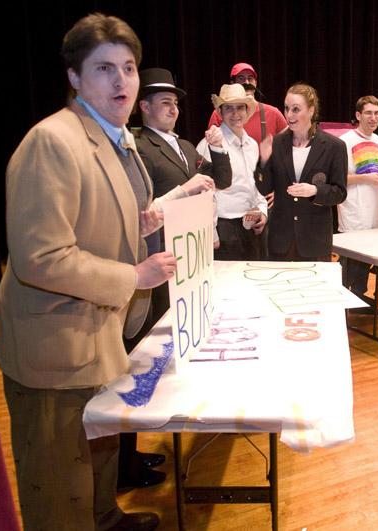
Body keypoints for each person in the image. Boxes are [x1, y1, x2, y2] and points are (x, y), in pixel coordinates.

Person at [0, 13, 176, 531]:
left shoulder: (120, 138)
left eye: (128, 67)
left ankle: (106, 520)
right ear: (74, 77)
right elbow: (41, 257)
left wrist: (139, 223)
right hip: (54, 343)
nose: (120, 81)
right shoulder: (51, 141)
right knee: (57, 476)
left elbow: (93, 219)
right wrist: (134, 277)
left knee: (96, 452)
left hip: (97, 332)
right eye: (103, 69)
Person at [120, 67, 228, 493]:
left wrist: (216, 150)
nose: (174, 108)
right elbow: (142, 209)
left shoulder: (184, 145)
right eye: (165, 102)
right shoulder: (137, 146)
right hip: (153, 265)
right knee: (142, 362)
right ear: (143, 107)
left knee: (171, 353)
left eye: (177, 102)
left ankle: (142, 445)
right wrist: (186, 189)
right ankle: (125, 462)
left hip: (188, 263)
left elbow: (222, 180)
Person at [256, 83, 347, 260]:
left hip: (315, 242)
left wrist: (315, 191)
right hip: (281, 242)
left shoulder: (334, 147)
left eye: (296, 109)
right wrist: (264, 161)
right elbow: (264, 188)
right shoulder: (276, 143)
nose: (289, 115)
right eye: (287, 108)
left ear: (311, 111)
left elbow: (340, 193)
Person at [197, 84, 268, 260]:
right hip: (223, 229)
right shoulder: (209, 145)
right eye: (229, 108)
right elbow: (204, 193)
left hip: (249, 228)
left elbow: (254, 184)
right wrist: (211, 233)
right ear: (220, 113)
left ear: (247, 111)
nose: (235, 114)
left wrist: (262, 211)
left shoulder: (252, 144)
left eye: (239, 108)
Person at [337, 96, 378, 310]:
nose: (373, 117)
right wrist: (366, 178)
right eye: (368, 113)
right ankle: (341, 298)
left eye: (377, 113)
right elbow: (338, 178)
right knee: (350, 259)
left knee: (367, 258)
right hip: (354, 210)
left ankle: (358, 297)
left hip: (374, 210)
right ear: (358, 115)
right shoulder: (346, 141)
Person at [207, 62, 287, 144]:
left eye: (250, 78)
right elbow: (212, 146)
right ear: (232, 83)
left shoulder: (273, 113)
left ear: (255, 83)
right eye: (241, 78)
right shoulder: (218, 114)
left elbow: (290, 142)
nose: (247, 82)